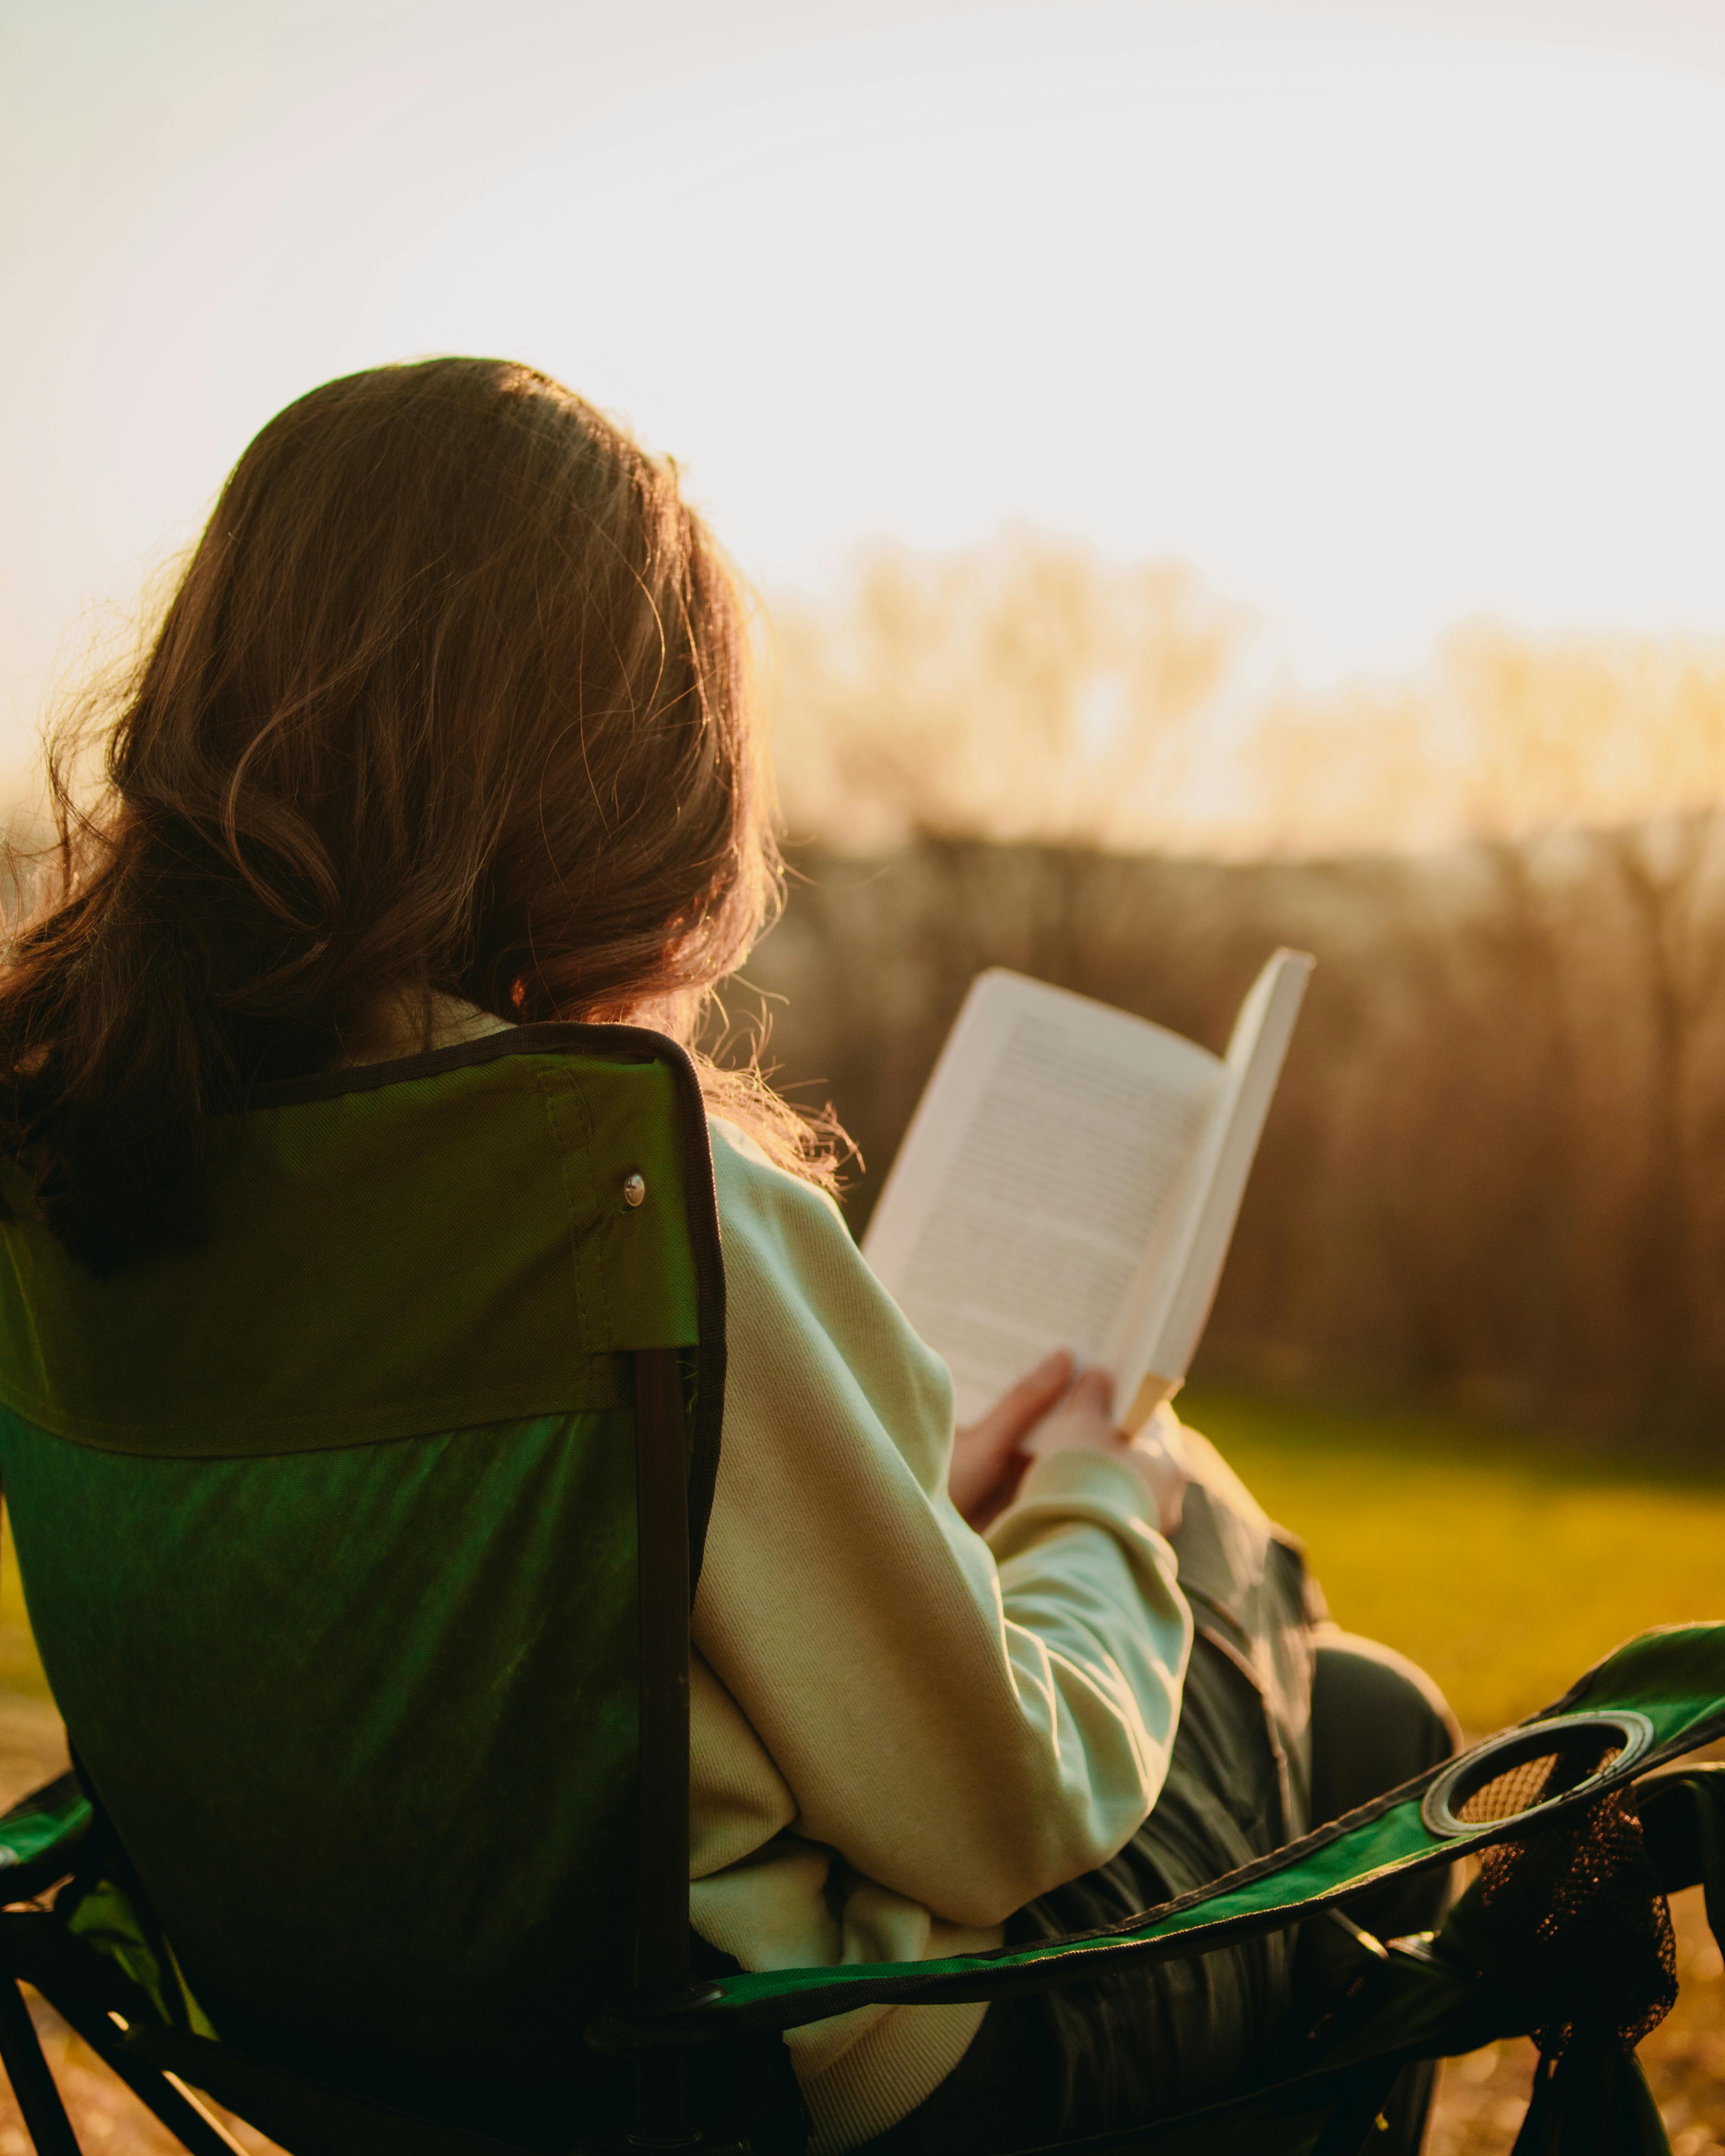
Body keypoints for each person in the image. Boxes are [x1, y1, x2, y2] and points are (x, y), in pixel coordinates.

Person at [0, 359, 1455, 2153]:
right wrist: (1094, 1494)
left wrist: (921, 1499)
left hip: (350, 2043)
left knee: (1328, 1684)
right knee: (1282, 1613)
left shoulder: (76, 1155)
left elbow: (502, 1627)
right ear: (622, 764)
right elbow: (995, 1804)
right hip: (760, 2073)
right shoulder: (619, 1181)